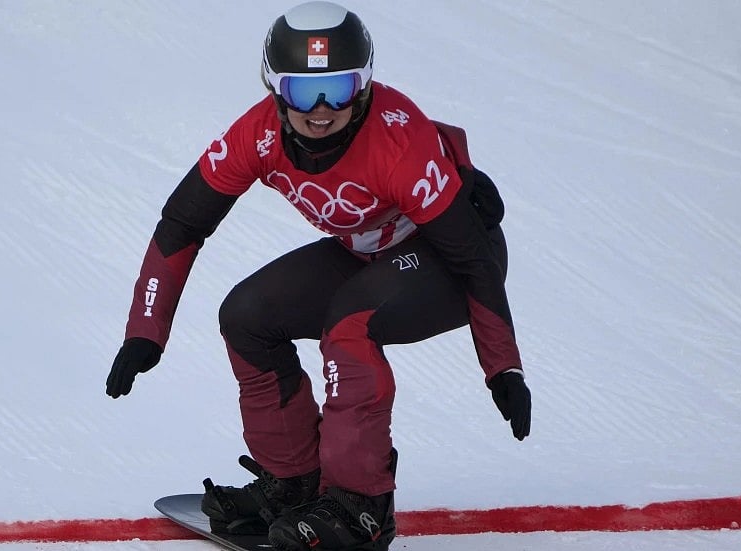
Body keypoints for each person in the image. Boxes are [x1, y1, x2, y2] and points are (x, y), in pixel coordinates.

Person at [105, 2, 531, 550]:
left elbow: (474, 261)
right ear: (276, 91)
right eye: (305, 93)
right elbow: (182, 223)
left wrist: (503, 369)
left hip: (450, 262)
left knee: (348, 326)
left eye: (341, 87)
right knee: (247, 315)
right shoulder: (255, 137)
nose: (323, 109)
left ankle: (362, 507)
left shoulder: (398, 146)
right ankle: (296, 484)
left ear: (366, 85)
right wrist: (145, 329)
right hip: (368, 251)